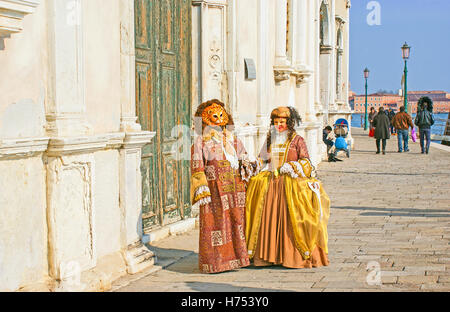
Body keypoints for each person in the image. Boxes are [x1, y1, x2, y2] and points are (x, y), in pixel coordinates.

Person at [245, 106, 330, 269]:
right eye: (276, 122)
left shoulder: (298, 140)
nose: (279, 126)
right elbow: (262, 158)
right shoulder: (270, 139)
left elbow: (306, 162)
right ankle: (268, 256)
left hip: (290, 186)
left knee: (290, 221)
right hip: (271, 184)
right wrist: (253, 164)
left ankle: (290, 256)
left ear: (289, 123)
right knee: (269, 219)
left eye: (282, 122)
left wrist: (293, 167)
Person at [191, 99, 258, 273]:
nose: (217, 127)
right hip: (215, 191)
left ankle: (238, 259)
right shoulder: (201, 143)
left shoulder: (234, 141)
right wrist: (201, 188)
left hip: (236, 190)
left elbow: (245, 159)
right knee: (216, 225)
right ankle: (215, 263)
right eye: (213, 123)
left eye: (220, 123)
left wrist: (249, 163)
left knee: (237, 223)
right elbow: (197, 166)